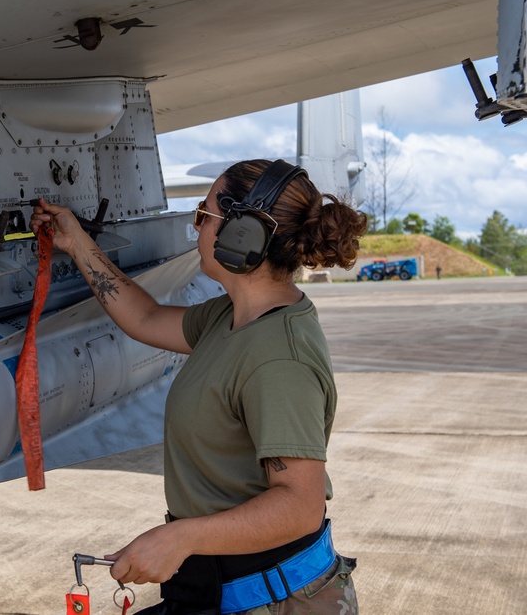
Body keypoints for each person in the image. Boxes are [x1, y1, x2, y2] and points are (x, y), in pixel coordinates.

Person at [30, 159, 367, 615]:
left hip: (275, 601)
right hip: (217, 587)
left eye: (203, 216)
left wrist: (178, 538)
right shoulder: (229, 318)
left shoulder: (278, 357)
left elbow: (299, 506)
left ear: (242, 233)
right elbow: (146, 319)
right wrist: (77, 243)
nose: (196, 228)